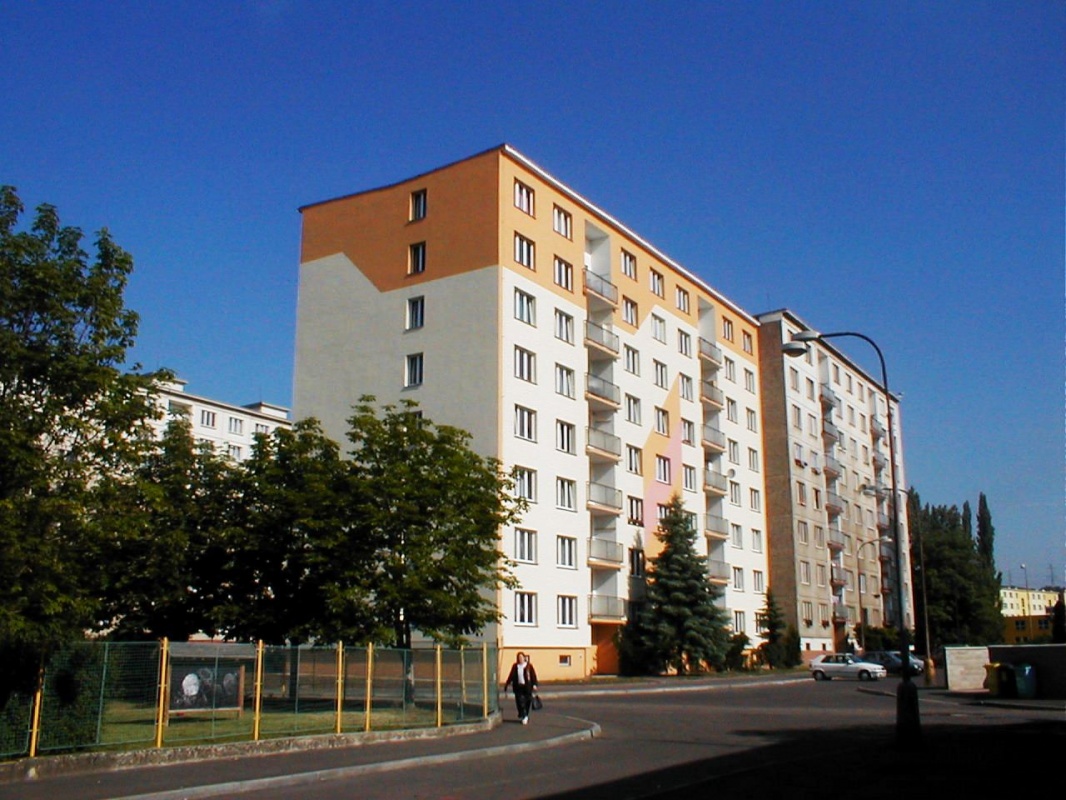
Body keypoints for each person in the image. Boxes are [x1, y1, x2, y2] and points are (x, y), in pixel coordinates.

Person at [503, 651, 538, 724]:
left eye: (521, 657)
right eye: (519, 658)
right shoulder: (515, 666)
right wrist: (507, 684)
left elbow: (533, 676)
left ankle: (525, 715)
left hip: (527, 687)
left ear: (524, 658)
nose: (520, 659)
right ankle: (524, 715)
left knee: (527, 701)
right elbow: (511, 675)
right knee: (520, 702)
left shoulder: (529, 666)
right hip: (518, 687)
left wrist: (535, 684)